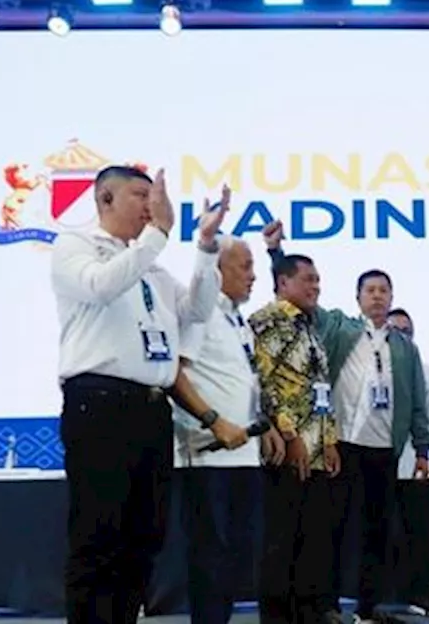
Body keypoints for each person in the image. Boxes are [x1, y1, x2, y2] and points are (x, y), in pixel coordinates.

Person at [52, 165, 229, 624]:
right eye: (139, 195)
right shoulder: (75, 246)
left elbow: (197, 309)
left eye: (154, 197)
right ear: (104, 199)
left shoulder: (150, 266)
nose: (151, 206)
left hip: (150, 408)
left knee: (143, 536)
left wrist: (206, 248)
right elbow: (99, 286)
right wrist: (159, 233)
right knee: (98, 536)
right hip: (99, 402)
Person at [262, 220, 429, 624]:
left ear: (392, 297)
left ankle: (370, 605)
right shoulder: (339, 327)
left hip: (383, 447)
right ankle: (328, 605)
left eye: (383, 291)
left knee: (377, 530)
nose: (377, 297)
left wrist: (423, 448)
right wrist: (275, 252)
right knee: (331, 529)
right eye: (370, 290)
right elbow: (298, 299)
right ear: (357, 297)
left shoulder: (405, 346)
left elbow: (419, 399)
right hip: (342, 444)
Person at [170, 235, 288, 624]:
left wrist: (264, 426)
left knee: (236, 557)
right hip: (206, 456)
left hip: (244, 455)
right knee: (211, 558)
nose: (253, 277)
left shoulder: (236, 319)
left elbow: (244, 381)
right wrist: (213, 423)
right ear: (216, 272)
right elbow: (176, 375)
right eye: (245, 267)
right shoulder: (200, 315)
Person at [250, 253, 343, 624]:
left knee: (313, 538)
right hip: (288, 449)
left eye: (318, 279)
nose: (315, 286)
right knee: (282, 538)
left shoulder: (309, 326)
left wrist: (329, 440)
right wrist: (290, 436)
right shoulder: (268, 321)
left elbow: (318, 387)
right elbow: (265, 383)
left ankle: (309, 610)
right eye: (307, 279)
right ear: (283, 283)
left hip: (317, 447)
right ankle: (277, 615)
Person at [387, 307, 429, 617]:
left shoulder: (426, 373)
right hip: (375, 464)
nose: (401, 337)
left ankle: (428, 598)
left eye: (406, 331)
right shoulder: (368, 369)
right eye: (394, 330)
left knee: (422, 537)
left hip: (416, 465)